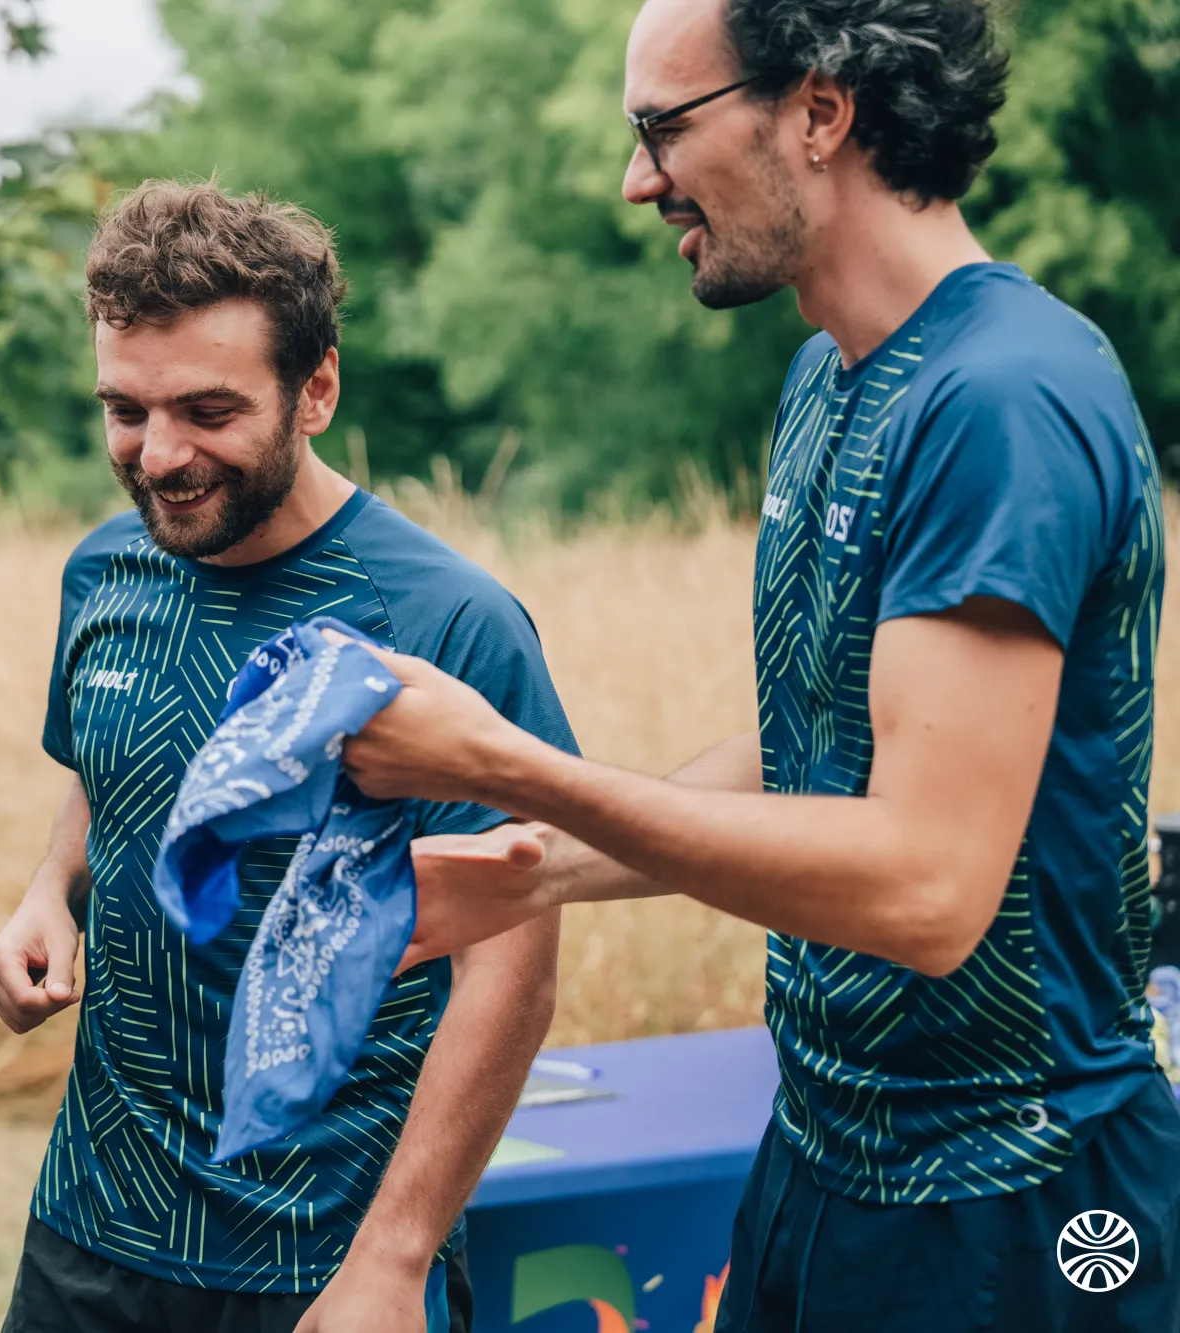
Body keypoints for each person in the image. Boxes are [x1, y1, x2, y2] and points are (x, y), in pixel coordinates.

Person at [331, 1, 1180, 1329]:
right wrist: (525, 868)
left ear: (820, 113)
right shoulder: (829, 382)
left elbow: (927, 888)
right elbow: (817, 752)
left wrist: (505, 762)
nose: (637, 180)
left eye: (662, 128)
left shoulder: (1004, 397)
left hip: (1012, 1191)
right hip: (824, 1158)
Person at [0, 179, 571, 1333]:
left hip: (327, 1251)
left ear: (317, 390)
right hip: (91, 1228)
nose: (157, 456)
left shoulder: (447, 623)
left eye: (207, 410)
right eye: (123, 410)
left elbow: (513, 969)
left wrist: (392, 1262)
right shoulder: (106, 572)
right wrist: (48, 892)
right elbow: (112, 772)